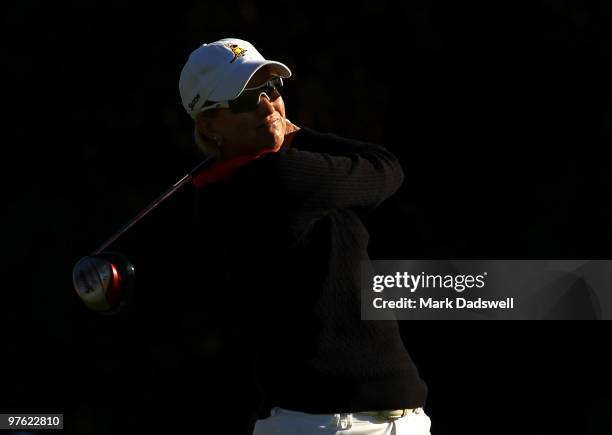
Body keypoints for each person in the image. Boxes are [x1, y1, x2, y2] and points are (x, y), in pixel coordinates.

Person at [178, 38, 431, 435]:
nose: (268, 106)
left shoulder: (222, 190)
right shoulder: (278, 179)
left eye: (270, 89)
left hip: (383, 421)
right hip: (326, 425)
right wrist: (301, 134)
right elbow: (385, 169)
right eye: (245, 100)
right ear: (209, 124)